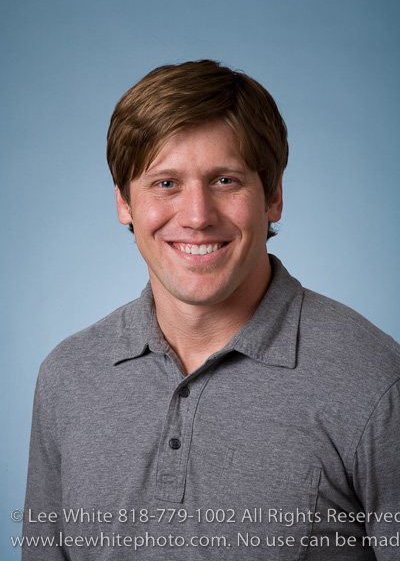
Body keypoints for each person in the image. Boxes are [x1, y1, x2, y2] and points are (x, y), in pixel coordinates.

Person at [23, 60, 399, 560]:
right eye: (165, 183)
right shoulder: (67, 377)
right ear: (124, 203)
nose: (197, 216)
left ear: (273, 197)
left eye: (225, 180)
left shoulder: (374, 381)